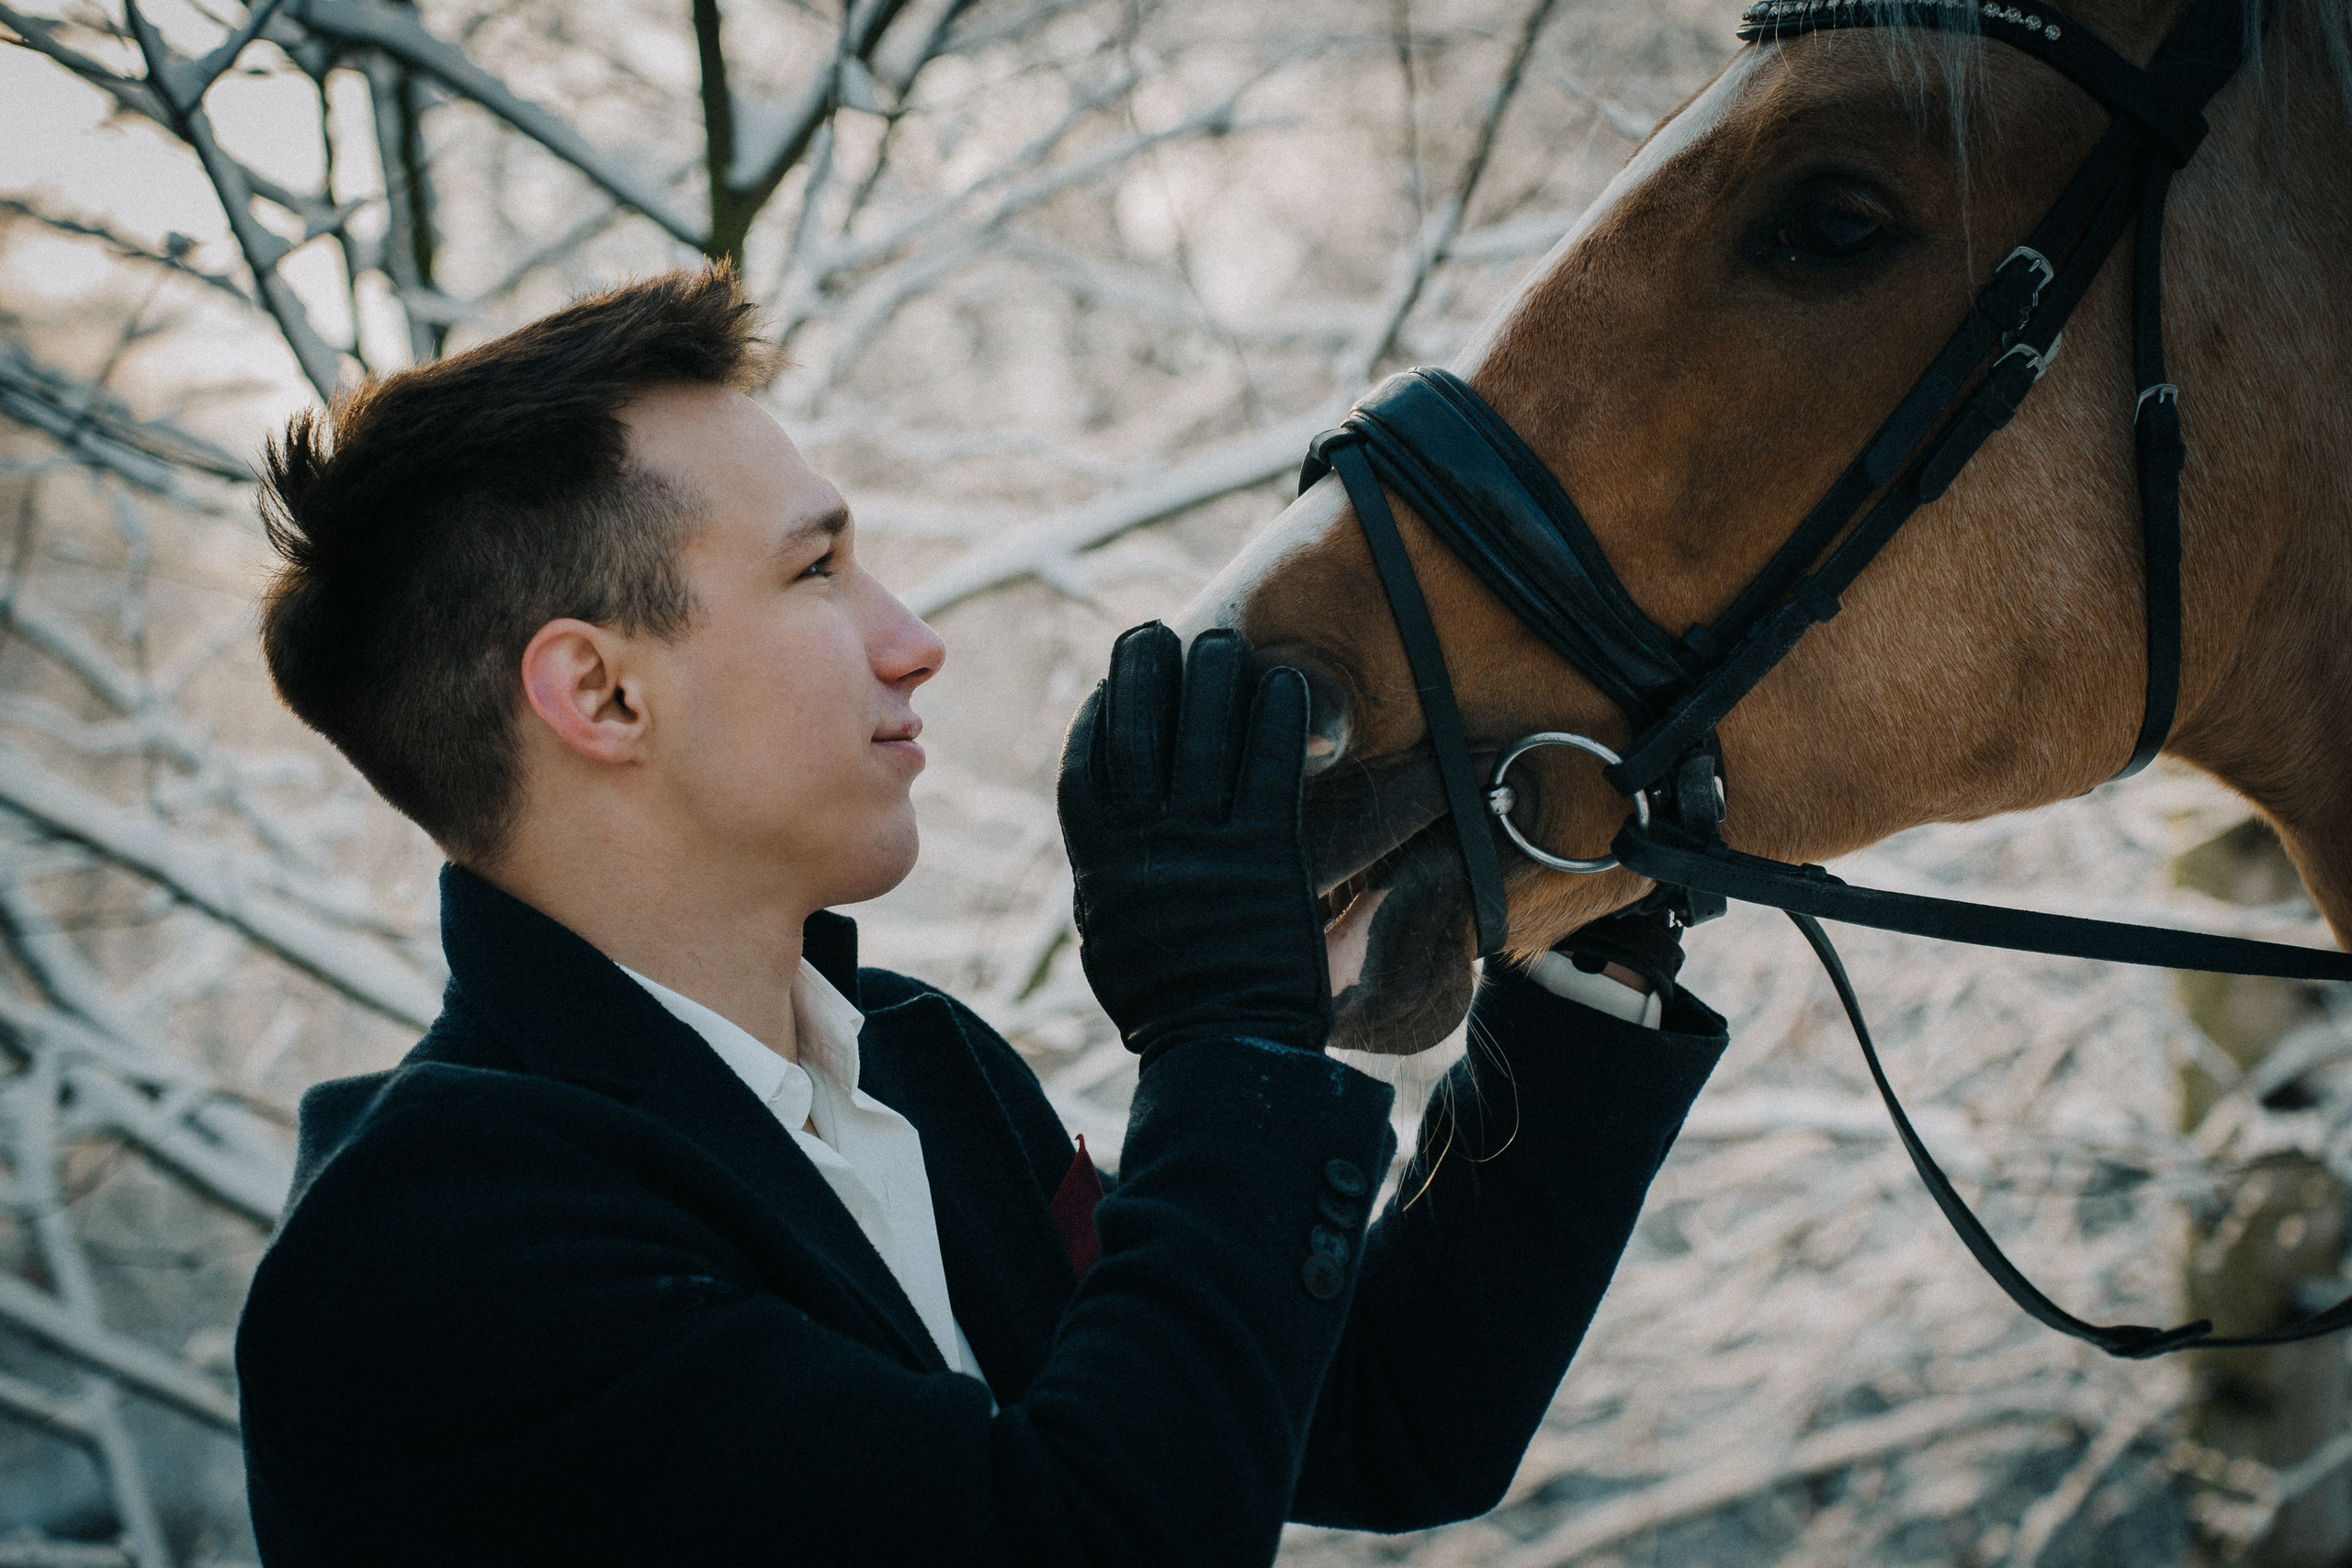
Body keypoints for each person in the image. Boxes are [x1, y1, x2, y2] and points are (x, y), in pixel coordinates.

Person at [232, 265, 1727, 1567]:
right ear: (603, 694)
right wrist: (1226, 1042)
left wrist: (1586, 946)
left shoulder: (923, 1073)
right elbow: (1087, 1543)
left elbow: (1382, 1424)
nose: (915, 641)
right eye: (818, 568)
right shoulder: (431, 1265)